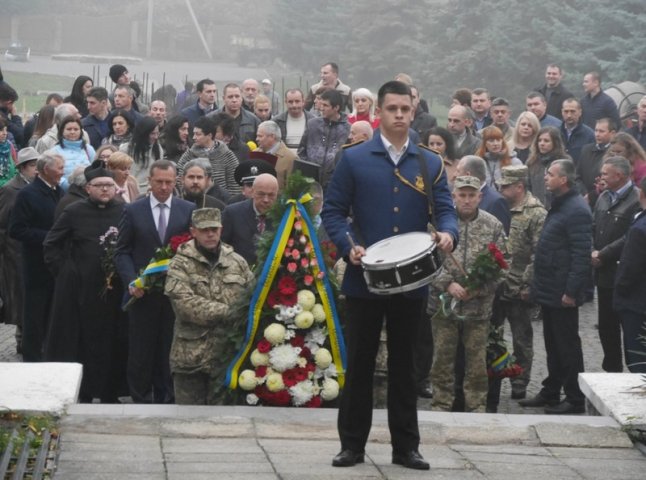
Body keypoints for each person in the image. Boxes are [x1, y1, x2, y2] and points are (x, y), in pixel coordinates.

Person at [322, 81, 458, 470]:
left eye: (405, 108)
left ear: (413, 112)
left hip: (412, 281)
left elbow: (445, 210)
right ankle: (351, 445)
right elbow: (333, 211)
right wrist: (349, 245)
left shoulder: (428, 162)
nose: (399, 114)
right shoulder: (355, 158)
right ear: (378, 112)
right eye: (392, 108)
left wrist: (449, 232)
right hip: (365, 277)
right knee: (360, 363)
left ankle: (406, 448)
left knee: (405, 366)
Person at [43, 162, 126, 403]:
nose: (104, 190)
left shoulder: (123, 210)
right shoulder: (74, 211)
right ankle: (86, 390)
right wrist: (66, 273)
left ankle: (111, 390)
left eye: (109, 185)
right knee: (84, 340)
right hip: (82, 290)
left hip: (115, 289)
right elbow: (51, 244)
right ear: (88, 188)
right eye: (99, 186)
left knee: (114, 338)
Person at [114, 160, 195, 403]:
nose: (163, 187)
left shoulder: (187, 209)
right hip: (141, 293)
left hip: (173, 293)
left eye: (169, 182)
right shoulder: (132, 210)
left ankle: (167, 397)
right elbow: (122, 251)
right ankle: (140, 397)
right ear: (149, 181)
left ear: (175, 182)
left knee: (168, 348)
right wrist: (132, 281)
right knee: (140, 350)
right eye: (159, 182)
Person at [430, 175, 506, 413]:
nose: (466, 200)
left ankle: (476, 407)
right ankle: (441, 404)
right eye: (461, 195)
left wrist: (478, 289)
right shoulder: (438, 224)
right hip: (443, 307)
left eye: (471, 195)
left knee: (476, 363)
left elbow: (504, 264)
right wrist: (447, 284)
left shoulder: (492, 225)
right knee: (442, 360)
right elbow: (426, 262)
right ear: (453, 196)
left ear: (480, 197)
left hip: (478, 309)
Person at [521, 159, 591, 414]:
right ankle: (551, 391)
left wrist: (571, 292)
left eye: (550, 174)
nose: (546, 177)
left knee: (567, 345)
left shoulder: (576, 210)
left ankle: (574, 398)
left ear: (563, 180)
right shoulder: (560, 205)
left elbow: (581, 255)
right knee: (553, 344)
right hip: (551, 289)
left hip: (563, 292)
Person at [165, 208, 254, 404]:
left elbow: (252, 299)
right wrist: (230, 312)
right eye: (204, 230)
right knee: (189, 422)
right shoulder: (180, 264)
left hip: (228, 358)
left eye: (214, 229)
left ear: (221, 230)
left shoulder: (237, 262)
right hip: (190, 359)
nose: (210, 234)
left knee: (225, 423)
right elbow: (185, 305)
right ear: (193, 231)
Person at [9, 152, 65, 361]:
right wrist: (50, 237)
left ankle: (50, 356)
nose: (62, 172)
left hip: (55, 265)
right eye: (59, 168)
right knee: (34, 317)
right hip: (35, 266)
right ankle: (32, 360)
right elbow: (17, 230)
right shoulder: (27, 194)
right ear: (45, 170)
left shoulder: (58, 191)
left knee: (52, 315)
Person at [497, 165, 547, 400]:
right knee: (493, 335)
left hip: (519, 287)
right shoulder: (500, 207)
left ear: (519, 187)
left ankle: (520, 381)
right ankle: (494, 375)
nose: (501, 189)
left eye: (505, 186)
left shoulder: (536, 213)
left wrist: (528, 284)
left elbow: (540, 254)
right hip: (497, 284)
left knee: (521, 339)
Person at [591, 156, 640, 372]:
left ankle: (636, 372)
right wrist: (592, 250)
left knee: (629, 328)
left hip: (625, 273)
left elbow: (632, 236)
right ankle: (612, 369)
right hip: (604, 274)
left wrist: (603, 253)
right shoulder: (603, 197)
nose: (601, 177)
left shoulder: (637, 200)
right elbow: (593, 226)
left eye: (605, 173)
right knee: (606, 326)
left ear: (618, 176)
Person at [0, 147, 39, 354]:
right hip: (15, 252)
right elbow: (3, 224)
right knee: (20, 297)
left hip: (36, 250)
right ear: (23, 168)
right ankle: (21, 337)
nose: (36, 170)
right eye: (33, 166)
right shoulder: (10, 189)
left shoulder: (43, 187)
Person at [614, 177, 646, 373]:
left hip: (636, 302)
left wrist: (620, 288)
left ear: (641, 193)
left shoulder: (640, 229)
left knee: (637, 357)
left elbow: (630, 269)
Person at [221, 173, 278, 266]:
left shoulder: (283, 217)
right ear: (252, 192)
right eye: (261, 194)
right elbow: (221, 245)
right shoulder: (232, 213)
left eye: (271, 195)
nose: (266, 200)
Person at [297, 89, 350, 188]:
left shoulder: (347, 129)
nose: (321, 108)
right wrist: (309, 170)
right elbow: (301, 150)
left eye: (325, 105)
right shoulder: (312, 124)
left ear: (336, 107)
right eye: (321, 105)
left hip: (335, 182)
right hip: (311, 182)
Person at [177, 116, 240, 196]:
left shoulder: (226, 155)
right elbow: (179, 178)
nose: (194, 137)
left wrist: (230, 202)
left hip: (220, 201)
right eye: (194, 134)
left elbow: (234, 184)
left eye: (198, 134)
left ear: (209, 135)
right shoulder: (189, 154)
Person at [575, 118, 617, 205]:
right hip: (584, 199)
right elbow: (577, 176)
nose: (597, 134)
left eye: (601, 131)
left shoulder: (615, 153)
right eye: (596, 130)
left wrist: (592, 195)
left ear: (612, 133)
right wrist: (584, 194)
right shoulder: (586, 150)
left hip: (604, 201)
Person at [526, 126, 570, 208]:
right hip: (536, 209)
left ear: (555, 143)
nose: (542, 144)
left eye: (546, 141)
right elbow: (528, 187)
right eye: (539, 140)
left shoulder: (564, 161)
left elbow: (570, 187)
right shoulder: (532, 162)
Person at [48, 115, 95, 191]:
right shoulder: (55, 151)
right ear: (62, 131)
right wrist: (65, 185)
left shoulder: (88, 149)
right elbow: (52, 173)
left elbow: (95, 170)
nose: (72, 132)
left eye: (76, 129)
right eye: (69, 129)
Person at [120, 116, 164, 193]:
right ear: (144, 133)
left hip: (149, 191)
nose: (156, 137)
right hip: (129, 190)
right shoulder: (125, 149)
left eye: (157, 133)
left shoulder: (158, 149)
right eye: (152, 133)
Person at [475, 125, 522, 189]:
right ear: (484, 143)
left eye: (498, 140)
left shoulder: (514, 162)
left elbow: (520, 187)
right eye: (491, 140)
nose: (495, 143)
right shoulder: (478, 163)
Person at [254, 120, 296, 190]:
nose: (257, 139)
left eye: (260, 136)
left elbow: (291, 189)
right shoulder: (255, 153)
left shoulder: (291, 158)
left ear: (272, 136)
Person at [273, 89, 315, 153]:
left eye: (297, 101)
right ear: (285, 102)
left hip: (306, 161)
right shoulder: (276, 122)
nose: (294, 105)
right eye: (290, 102)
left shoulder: (314, 121)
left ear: (303, 102)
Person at [560, 98, 595, 165]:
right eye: (566, 111)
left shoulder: (590, 135)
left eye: (573, 111)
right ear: (562, 112)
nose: (569, 115)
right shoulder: (555, 133)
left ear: (580, 112)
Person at [0, 117, 17, 187]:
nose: (5, 133)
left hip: (10, 189)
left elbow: (16, 165)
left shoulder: (9, 145)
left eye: (6, 130)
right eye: (1, 130)